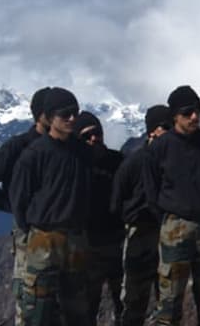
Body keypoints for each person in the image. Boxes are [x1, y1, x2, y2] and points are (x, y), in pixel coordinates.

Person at [9, 87, 93, 325]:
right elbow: (19, 199)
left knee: (77, 308)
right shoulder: (34, 154)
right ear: (49, 117)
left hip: (76, 237)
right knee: (39, 309)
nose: (72, 119)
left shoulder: (82, 153)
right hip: (44, 239)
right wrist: (35, 232)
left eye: (75, 113)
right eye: (65, 114)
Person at [145, 85, 200, 326]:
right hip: (175, 226)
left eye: (197, 111)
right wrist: (169, 218)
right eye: (188, 112)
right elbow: (151, 190)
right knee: (170, 301)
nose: (194, 117)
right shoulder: (160, 147)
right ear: (174, 116)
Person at [0, 87, 51, 325]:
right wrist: (16, 207)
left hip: (61, 232)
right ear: (41, 115)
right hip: (28, 232)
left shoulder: (67, 147)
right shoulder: (17, 147)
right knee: (30, 297)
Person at [111, 104, 171, 326]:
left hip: (167, 230)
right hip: (141, 231)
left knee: (167, 296)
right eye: (165, 126)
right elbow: (116, 200)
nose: (170, 130)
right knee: (135, 296)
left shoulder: (173, 158)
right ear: (152, 131)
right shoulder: (133, 163)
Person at [75, 111, 126, 324]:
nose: (93, 138)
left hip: (119, 243)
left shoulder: (120, 162)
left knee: (125, 303)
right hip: (89, 247)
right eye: (86, 136)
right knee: (87, 308)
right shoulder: (75, 167)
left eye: (96, 133)